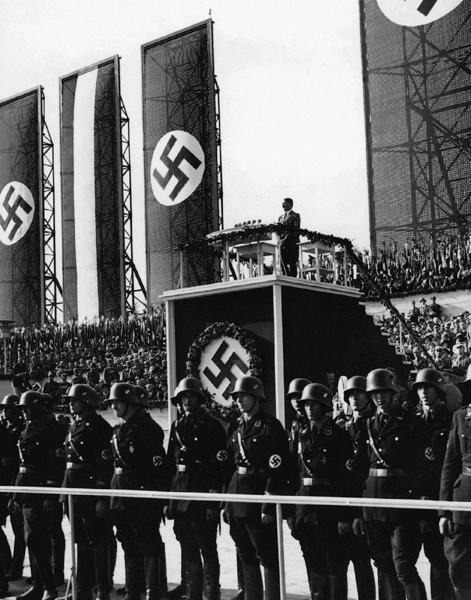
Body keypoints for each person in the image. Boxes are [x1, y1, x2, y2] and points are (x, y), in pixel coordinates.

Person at [358, 368, 434, 600]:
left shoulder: (412, 423)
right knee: (382, 563)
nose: (380, 397)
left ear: (393, 394)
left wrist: (420, 502)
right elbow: (361, 469)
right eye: (375, 393)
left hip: (403, 505)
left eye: (384, 392)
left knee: (403, 567)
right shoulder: (368, 425)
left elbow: (423, 467)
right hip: (373, 504)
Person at [223, 376, 291, 600]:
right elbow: (229, 466)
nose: (239, 400)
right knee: (245, 553)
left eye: (243, 396)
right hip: (236, 494)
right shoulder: (236, 425)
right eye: (237, 397)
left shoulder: (271, 426)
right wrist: (226, 502)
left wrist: (268, 505)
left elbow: (278, 468)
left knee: (267, 555)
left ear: (257, 397)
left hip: (258, 496)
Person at [288, 383, 353, 600]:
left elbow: (345, 480)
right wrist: (291, 511)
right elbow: (292, 473)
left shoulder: (338, 435)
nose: (309, 408)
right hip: (304, 507)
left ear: (325, 406)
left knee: (335, 563)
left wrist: (344, 516)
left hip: (329, 508)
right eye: (306, 404)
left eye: (314, 404)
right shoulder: (301, 433)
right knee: (312, 560)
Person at [165, 377, 227, 600]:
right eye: (183, 397)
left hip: (202, 491)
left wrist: (213, 502)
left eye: (191, 396)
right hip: (181, 491)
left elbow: (218, 467)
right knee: (187, 544)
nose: (187, 400)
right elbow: (170, 465)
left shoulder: (212, 425)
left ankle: (211, 592)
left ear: (199, 399)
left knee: (207, 546)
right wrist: (168, 500)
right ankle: (193, 591)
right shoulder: (177, 426)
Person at [107, 383, 168, 600]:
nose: (113, 407)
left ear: (130, 403)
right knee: (126, 539)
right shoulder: (117, 429)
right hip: (120, 491)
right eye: (112, 403)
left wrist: (155, 496)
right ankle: (133, 589)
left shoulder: (147, 429)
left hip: (140, 491)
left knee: (147, 541)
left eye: (117, 403)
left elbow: (157, 465)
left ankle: (153, 590)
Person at [60, 384, 114, 600]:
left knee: (98, 541)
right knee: (80, 541)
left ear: (86, 402)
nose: (70, 404)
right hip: (75, 491)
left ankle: (101, 588)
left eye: (74, 400)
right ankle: (82, 588)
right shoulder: (75, 426)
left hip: (91, 491)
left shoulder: (99, 427)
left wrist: (102, 497)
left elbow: (104, 464)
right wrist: (65, 494)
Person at [13, 391, 66, 600]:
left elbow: (56, 464)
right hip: (27, 489)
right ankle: (38, 584)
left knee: (39, 539)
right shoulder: (28, 429)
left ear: (37, 408)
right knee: (31, 539)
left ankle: (49, 587)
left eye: (26, 408)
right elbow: (24, 463)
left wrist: (50, 495)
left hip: (42, 490)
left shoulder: (53, 430)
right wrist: (17, 493)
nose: (23, 412)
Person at [413, 369, 455, 600]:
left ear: (439, 391)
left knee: (439, 557)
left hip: (440, 496)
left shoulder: (451, 420)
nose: (424, 393)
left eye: (428, 388)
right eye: (420, 388)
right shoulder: (413, 421)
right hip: (417, 496)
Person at [339, 377, 376, 600]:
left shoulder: (375, 424)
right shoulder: (343, 427)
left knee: (367, 562)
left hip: (367, 501)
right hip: (346, 500)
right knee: (344, 560)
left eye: (359, 393)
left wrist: (358, 512)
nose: (354, 398)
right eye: (351, 395)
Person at [439, 397, 471, 598]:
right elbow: (449, 465)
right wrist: (444, 511)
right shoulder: (460, 416)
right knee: (458, 565)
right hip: (463, 500)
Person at [277, 198, 300, 277]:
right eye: (283, 204)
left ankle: (292, 279)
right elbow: (278, 231)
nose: (283, 205)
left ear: (291, 205)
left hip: (292, 244)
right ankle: (286, 276)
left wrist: (285, 240)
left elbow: (294, 230)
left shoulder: (295, 216)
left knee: (292, 262)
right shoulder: (280, 218)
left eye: (285, 203)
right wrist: (279, 241)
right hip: (283, 245)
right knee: (282, 262)